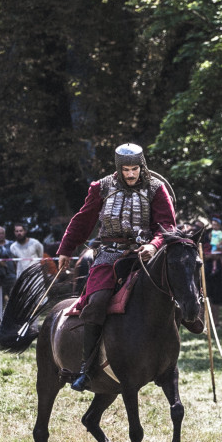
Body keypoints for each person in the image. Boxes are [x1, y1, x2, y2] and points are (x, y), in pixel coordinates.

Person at [56, 143, 178, 392]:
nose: (131, 174)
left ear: (141, 166)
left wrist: (154, 246)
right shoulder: (101, 187)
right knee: (98, 301)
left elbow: (167, 225)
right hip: (109, 255)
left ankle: (170, 354)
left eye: (135, 169)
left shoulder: (156, 188)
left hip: (145, 256)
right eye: (126, 170)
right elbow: (83, 219)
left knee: (173, 292)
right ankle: (87, 368)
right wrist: (66, 249)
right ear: (118, 169)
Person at [0, 226, 17, 303]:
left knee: (13, 296)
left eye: (2, 233)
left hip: (11, 275)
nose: (1, 235)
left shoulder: (11, 244)